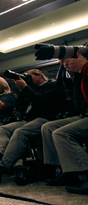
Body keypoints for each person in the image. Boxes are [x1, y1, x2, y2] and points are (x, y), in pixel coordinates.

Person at [0, 69, 66, 183]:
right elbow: (20, 107)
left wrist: (26, 88)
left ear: (39, 75)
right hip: (27, 119)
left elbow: (42, 101)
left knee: (20, 132)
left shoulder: (52, 85)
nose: (26, 79)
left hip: (44, 118)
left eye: (28, 77)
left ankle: (3, 166)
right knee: (3, 129)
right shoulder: (30, 90)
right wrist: (22, 89)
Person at [42, 51, 88, 194]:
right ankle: (65, 171)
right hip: (84, 113)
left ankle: (82, 173)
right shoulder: (81, 71)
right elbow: (63, 85)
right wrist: (64, 66)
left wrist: (86, 66)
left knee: (61, 133)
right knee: (48, 128)